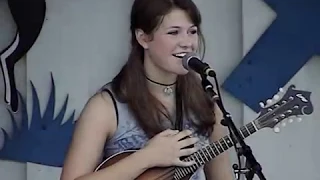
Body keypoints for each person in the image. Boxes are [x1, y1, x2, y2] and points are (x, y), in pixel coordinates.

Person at [60, 0, 234, 179]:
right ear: (143, 38)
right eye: (174, 32)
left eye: (192, 32)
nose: (187, 43)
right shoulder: (105, 107)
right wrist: (147, 157)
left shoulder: (205, 100)